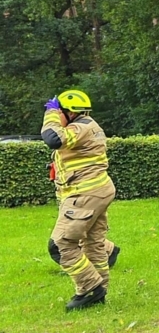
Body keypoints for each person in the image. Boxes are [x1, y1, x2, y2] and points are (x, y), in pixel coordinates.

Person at [41, 90, 116, 311]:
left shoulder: (79, 127)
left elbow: (53, 139)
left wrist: (51, 113)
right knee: (93, 243)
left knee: (61, 245)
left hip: (85, 193)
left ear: (69, 113)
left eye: (58, 112)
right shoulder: (88, 125)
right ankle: (98, 293)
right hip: (97, 190)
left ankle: (90, 288)